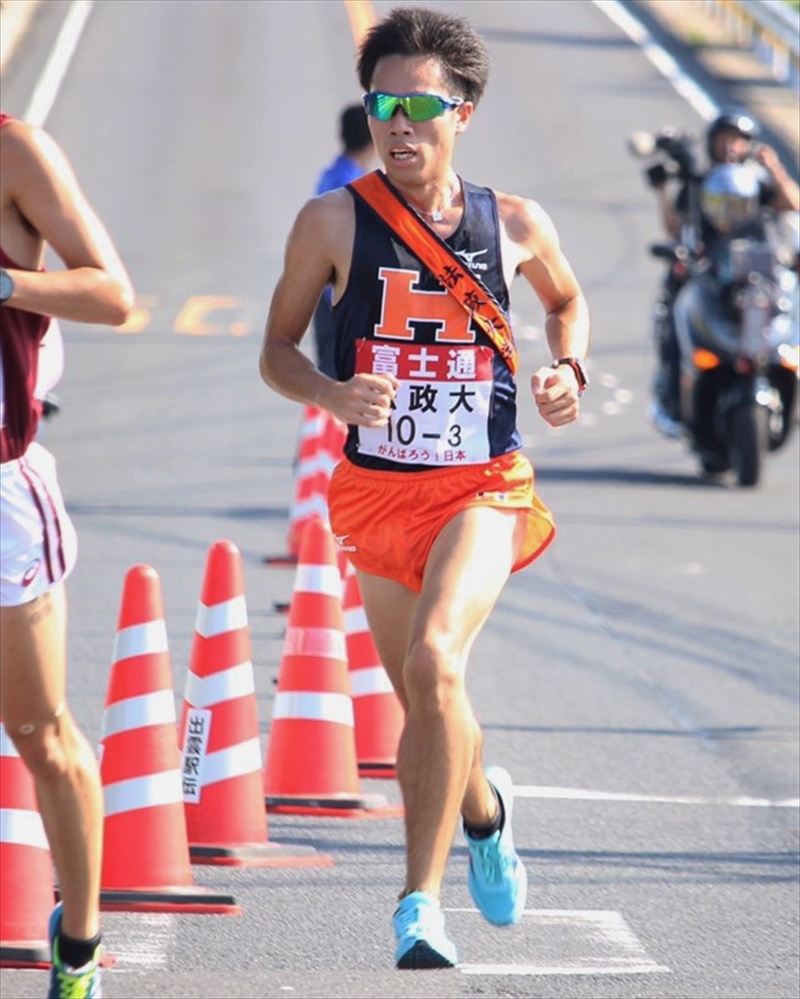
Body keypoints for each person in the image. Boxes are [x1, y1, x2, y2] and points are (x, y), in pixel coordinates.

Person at [259, 5, 589, 969]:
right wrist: (329, 390)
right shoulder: (330, 220)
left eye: (417, 104)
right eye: (381, 104)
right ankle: (484, 809)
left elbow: (566, 302)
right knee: (424, 693)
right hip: (375, 490)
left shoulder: (516, 222)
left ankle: (418, 903)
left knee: (438, 658)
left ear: (463, 112)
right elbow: (276, 351)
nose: (398, 123)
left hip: (483, 485)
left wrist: (569, 370)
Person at [0, 111, 134, 998]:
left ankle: (77, 948)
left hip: (2, 487)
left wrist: (4, 284)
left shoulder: (14, 149)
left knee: (42, 734)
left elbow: (112, 293)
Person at [646, 106, 800, 437]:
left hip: (760, 279)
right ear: (712, 142)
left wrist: (774, 168)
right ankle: (673, 394)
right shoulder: (699, 183)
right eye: (725, 139)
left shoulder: (759, 182)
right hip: (710, 277)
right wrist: (662, 190)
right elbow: (674, 228)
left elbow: (793, 203)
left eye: (739, 140)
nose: (731, 146)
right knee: (672, 320)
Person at [311, 103, 375, 377]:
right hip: (346, 301)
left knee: (328, 375)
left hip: (324, 294)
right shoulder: (361, 189)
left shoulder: (329, 175)